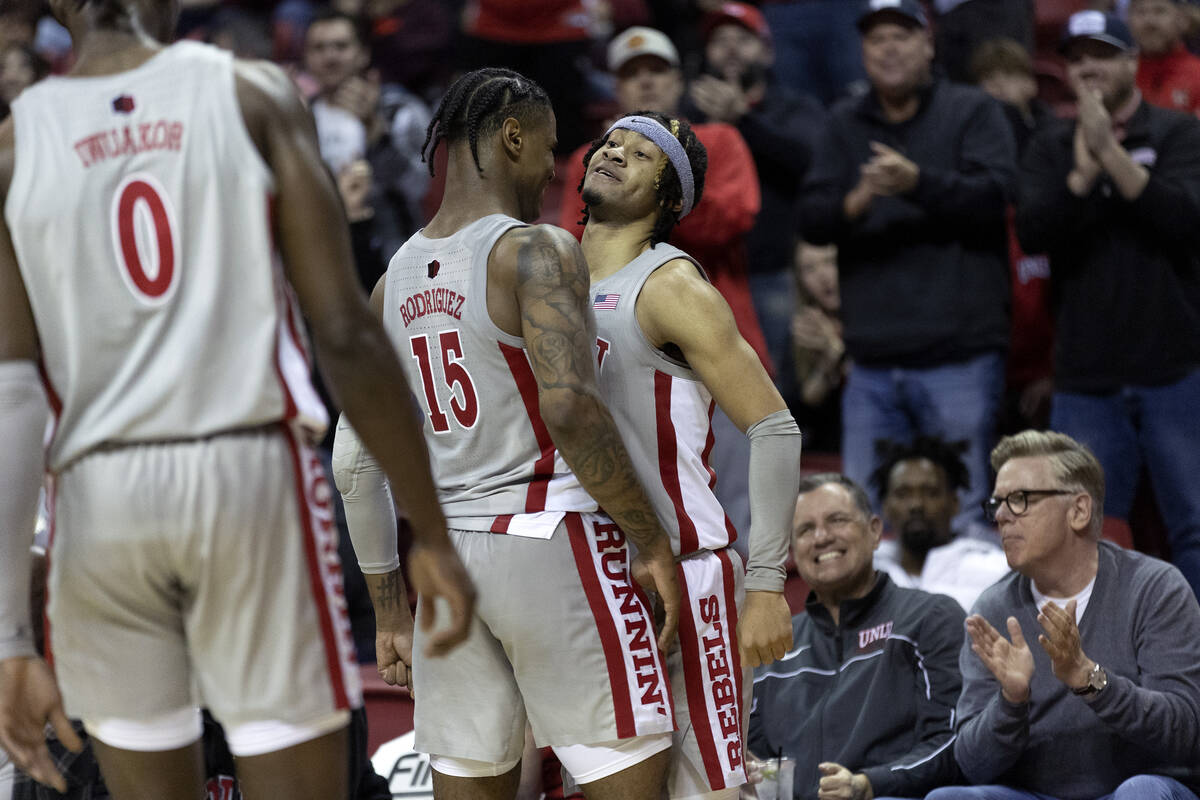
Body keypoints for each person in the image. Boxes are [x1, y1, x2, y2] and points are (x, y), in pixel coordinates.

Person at [0, 0, 475, 797]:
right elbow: (347, 333)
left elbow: (13, 400)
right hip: (249, 476)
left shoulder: (14, 147)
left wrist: (11, 633)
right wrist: (430, 531)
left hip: (98, 499)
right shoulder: (250, 95)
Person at [332, 67, 683, 800]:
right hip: (547, 540)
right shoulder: (535, 250)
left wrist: (390, 608)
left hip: (443, 569)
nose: (555, 169)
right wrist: (650, 540)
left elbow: (353, 467)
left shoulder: (390, 280)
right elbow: (572, 410)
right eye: (549, 149)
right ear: (513, 136)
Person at [576, 109, 803, 798]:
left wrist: (765, 584)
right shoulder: (541, 280)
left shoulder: (670, 285)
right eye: (611, 143)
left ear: (670, 198)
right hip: (586, 571)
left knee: (706, 791)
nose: (615, 154)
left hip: (684, 566)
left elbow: (775, 429)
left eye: (641, 155)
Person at [799, 0, 1016, 536]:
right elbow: (812, 216)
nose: (889, 47)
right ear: (863, 52)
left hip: (958, 356)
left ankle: (973, 622)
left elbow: (997, 196)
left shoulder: (972, 111)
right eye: (876, 39)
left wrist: (917, 184)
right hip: (873, 361)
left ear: (929, 45)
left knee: (965, 515)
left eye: (902, 35)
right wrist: (860, 199)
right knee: (858, 519)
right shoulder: (843, 122)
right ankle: (868, 624)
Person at [1015, 10, 1200, 600]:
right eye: (1076, 57)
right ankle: (1103, 667)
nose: (1089, 66)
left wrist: (1108, 157)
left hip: (1173, 366)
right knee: (1085, 533)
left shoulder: (1178, 134)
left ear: (1130, 62)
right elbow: (1036, 231)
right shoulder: (1048, 145)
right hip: (1085, 375)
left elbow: (1184, 221)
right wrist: (1082, 171)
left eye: (1102, 53)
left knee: (1194, 526)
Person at [562, 24, 766, 546]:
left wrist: (647, 193)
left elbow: (734, 216)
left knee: (733, 516)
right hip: (620, 361)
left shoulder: (719, 139)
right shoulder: (591, 160)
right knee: (637, 525)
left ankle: (742, 615)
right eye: (632, 74)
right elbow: (577, 246)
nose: (647, 82)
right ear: (616, 88)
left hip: (721, 352)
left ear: (680, 80)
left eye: (658, 70)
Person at [929, 431, 1200, 799]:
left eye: (1020, 499)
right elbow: (973, 766)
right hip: (1040, 794)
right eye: (998, 503)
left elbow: (1185, 732)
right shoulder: (993, 609)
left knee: (1142, 792)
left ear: (1079, 510)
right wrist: (1010, 702)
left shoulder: (1155, 589)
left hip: (1141, 786)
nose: (1002, 516)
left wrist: (1090, 679)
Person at [748, 474, 965, 800]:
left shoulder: (929, 618)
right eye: (806, 530)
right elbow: (759, 759)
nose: (821, 537)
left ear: (875, 531)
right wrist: (755, 778)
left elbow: (953, 741)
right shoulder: (775, 646)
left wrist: (869, 784)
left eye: (837, 520)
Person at [682, 3, 826, 404]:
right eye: (719, 41)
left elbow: (810, 162)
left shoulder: (796, 109)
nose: (729, 49)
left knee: (771, 399)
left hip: (773, 274)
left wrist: (742, 119)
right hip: (701, 276)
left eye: (742, 39)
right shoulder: (685, 116)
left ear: (767, 51)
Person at [871, 436, 1010, 612]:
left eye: (931, 493)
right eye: (902, 493)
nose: (916, 505)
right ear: (885, 507)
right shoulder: (864, 571)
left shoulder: (995, 571)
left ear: (954, 503)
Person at [1130, 0, 1200, 115]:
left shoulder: (1197, 75)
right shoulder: (1122, 73)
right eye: (1141, 12)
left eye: (1160, 11)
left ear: (1182, 19)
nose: (1149, 22)